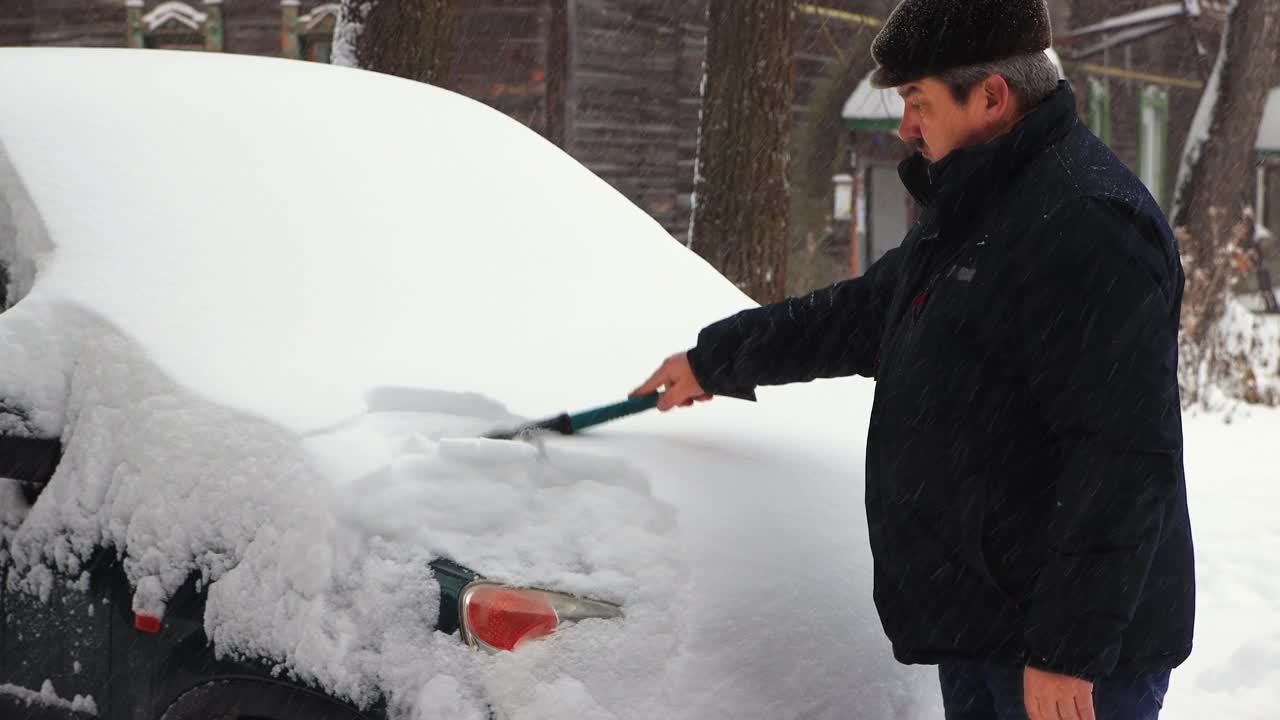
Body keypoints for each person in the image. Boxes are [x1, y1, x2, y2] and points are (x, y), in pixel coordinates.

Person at [632, 1, 1194, 718]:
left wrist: (1068, 651)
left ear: (991, 96)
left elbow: (1121, 457)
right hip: (987, 628)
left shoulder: (1090, 226)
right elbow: (865, 315)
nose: (904, 126)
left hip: (1067, 659)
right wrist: (716, 360)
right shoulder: (984, 204)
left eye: (917, 101)